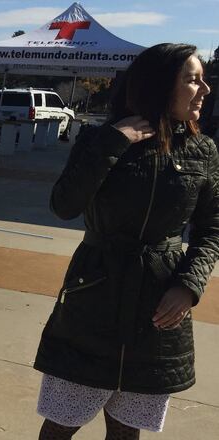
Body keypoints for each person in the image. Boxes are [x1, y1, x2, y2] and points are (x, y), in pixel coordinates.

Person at [34, 43, 215, 440]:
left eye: (203, 80)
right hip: (94, 297)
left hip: (158, 306)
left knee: (126, 432)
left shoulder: (203, 150)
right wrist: (111, 144)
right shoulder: (100, 139)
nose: (205, 89)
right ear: (160, 84)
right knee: (59, 427)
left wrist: (189, 286)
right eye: (193, 80)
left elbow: (211, 230)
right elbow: (64, 205)